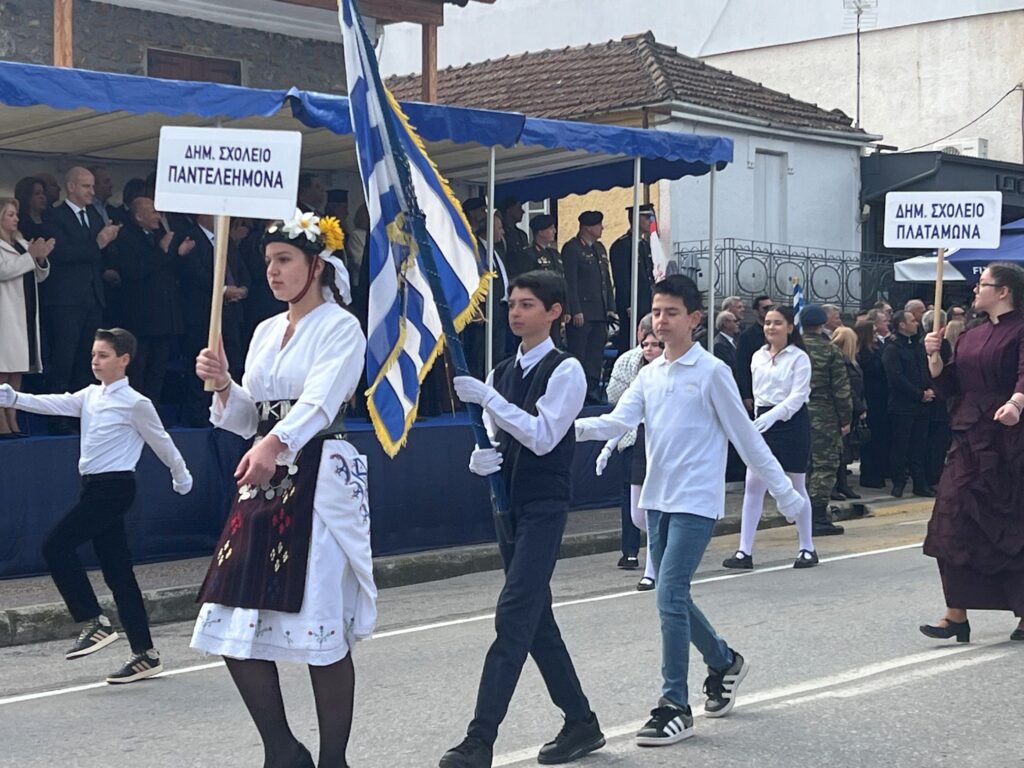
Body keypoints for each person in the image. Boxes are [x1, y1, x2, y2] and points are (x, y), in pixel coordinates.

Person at [575, 275, 803, 747]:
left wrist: (785, 492)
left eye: (671, 313)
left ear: (695, 319)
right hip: (657, 497)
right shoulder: (649, 374)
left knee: (670, 593)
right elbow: (618, 420)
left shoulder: (712, 372)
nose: (661, 321)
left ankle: (674, 704)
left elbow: (746, 437)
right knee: (671, 595)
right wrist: (561, 429)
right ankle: (724, 662)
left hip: (696, 500)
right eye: (657, 312)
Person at [190, 210, 375, 768]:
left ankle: (334, 759)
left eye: (284, 259)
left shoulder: (340, 326)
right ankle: (281, 748)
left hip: (317, 475)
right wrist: (224, 386)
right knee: (228, 611)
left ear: (316, 265)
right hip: (265, 477)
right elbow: (250, 416)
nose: (272, 271)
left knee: (320, 624)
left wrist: (275, 444)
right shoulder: (266, 331)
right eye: (269, 261)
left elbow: (320, 401)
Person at [442, 270, 603, 768]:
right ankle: (581, 722)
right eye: (512, 303)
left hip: (544, 505)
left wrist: (489, 399)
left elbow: (541, 435)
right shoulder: (500, 371)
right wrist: (481, 457)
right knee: (537, 623)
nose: (516, 312)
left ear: (554, 312)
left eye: (528, 304)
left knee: (514, 614)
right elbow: (496, 437)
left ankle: (479, 740)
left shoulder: (566, 370)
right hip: (507, 504)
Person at [0, 328, 192, 683]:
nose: (95, 361)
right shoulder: (90, 395)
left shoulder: (135, 402)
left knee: (55, 546)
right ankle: (146, 654)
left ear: (124, 360)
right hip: (93, 488)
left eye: (103, 355)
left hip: (115, 488)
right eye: (93, 355)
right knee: (118, 572)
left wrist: (180, 474)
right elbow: (51, 403)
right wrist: (12, 396)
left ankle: (94, 621)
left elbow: (161, 440)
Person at [920, 262, 1024, 644]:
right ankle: (956, 613)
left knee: (1010, 525)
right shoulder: (969, 335)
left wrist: (1016, 403)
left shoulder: (1021, 330)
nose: (976, 290)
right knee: (950, 518)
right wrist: (934, 358)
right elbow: (951, 386)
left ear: (1004, 292)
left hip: (1009, 441)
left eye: (983, 284)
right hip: (968, 438)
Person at [724, 306, 816, 569]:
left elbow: (798, 396)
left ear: (789, 327)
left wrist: (774, 415)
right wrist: (758, 419)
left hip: (791, 422)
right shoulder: (758, 356)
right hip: (762, 421)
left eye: (777, 323)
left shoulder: (799, 357)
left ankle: (807, 547)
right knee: (753, 485)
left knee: (796, 485)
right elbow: (757, 392)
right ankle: (744, 551)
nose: (771, 328)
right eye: (767, 323)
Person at [41, 167, 122, 433]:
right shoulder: (54, 216)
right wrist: (98, 243)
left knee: (87, 360)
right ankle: (57, 418)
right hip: (66, 299)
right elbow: (61, 254)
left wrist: (109, 241)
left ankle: (81, 415)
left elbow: (100, 255)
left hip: (92, 296)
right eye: (86, 186)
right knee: (64, 359)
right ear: (71, 187)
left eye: (92, 186)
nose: (91, 191)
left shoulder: (94, 216)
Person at [598, 315, 660, 589]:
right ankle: (634, 550)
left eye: (655, 344)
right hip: (636, 439)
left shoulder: (675, 372)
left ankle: (652, 569)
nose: (649, 348)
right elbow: (622, 413)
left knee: (656, 507)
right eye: (646, 344)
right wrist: (607, 445)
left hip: (663, 444)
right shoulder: (635, 369)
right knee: (636, 512)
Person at [116, 197, 194, 403]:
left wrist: (179, 254)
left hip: (164, 316)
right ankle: (134, 409)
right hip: (141, 316)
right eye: (153, 212)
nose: (158, 217)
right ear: (139, 216)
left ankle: (152, 409)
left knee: (158, 369)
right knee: (139, 367)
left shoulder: (160, 235)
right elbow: (133, 271)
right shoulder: (127, 237)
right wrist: (162, 250)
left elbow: (169, 269)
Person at [0, 198, 53, 437]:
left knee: (17, 370)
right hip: (6, 313)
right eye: (10, 214)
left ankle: (12, 415)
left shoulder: (22, 243)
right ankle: (1, 419)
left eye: (16, 214)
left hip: (25, 311)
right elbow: (4, 270)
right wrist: (31, 256)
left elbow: (39, 276)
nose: (16, 219)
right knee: (3, 367)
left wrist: (40, 259)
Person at [801, 304, 851, 535]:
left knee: (805, 466)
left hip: (795, 413)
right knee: (825, 465)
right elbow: (841, 389)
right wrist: (845, 418)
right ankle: (817, 517)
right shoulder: (830, 351)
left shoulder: (792, 349)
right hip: (824, 414)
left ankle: (803, 514)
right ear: (822, 324)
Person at [562, 210, 615, 402]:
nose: (602, 228)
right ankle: (577, 392)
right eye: (598, 225)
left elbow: (605, 280)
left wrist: (610, 306)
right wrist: (575, 309)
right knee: (580, 353)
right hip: (583, 312)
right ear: (588, 228)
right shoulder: (572, 248)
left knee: (595, 353)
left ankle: (592, 389)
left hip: (599, 311)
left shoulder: (599, 248)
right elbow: (570, 282)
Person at [881, 309, 934, 498]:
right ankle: (898, 482)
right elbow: (896, 378)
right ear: (902, 325)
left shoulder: (918, 346)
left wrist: (928, 390)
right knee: (900, 446)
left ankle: (920, 483)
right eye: (912, 320)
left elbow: (925, 370)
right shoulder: (892, 348)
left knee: (919, 447)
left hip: (922, 406)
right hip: (902, 406)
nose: (916, 323)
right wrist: (918, 394)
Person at [609, 204, 655, 351]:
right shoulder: (622, 245)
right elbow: (621, 278)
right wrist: (629, 303)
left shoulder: (644, 245)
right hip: (631, 303)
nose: (650, 221)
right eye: (646, 217)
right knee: (630, 341)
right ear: (636, 219)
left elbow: (649, 274)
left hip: (645, 300)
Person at [831, 325, 864, 500]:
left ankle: (842, 484)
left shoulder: (851, 362)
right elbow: (846, 388)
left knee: (845, 451)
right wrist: (860, 407)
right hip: (842, 411)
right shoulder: (840, 363)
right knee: (838, 450)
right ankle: (834, 486)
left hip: (852, 410)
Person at [922, 309, 952, 488]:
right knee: (934, 444)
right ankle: (932, 477)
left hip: (935, 400)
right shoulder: (938, 344)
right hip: (935, 400)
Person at [735, 295, 773, 413]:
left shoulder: (779, 333)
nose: (769, 311)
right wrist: (746, 395)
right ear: (756, 312)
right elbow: (742, 367)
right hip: (756, 391)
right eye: (765, 308)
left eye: (771, 307)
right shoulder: (747, 336)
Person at [13, 176, 49, 241]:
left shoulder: (50, 219)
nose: (42, 197)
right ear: (26, 197)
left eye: (43, 193)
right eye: (37, 193)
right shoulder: (18, 222)